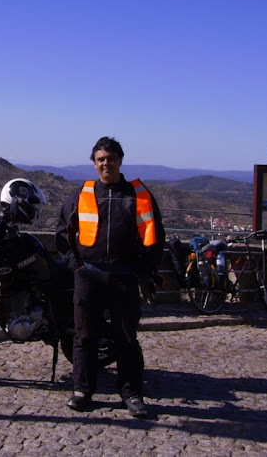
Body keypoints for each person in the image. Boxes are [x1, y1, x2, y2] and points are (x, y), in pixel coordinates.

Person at [55, 136, 165, 418]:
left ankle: (131, 394)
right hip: (89, 276)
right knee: (84, 337)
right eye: (101, 159)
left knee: (126, 338)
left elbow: (155, 238)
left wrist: (139, 270)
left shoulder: (138, 194)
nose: (106, 163)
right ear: (94, 163)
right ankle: (82, 391)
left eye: (111, 158)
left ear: (120, 161)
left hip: (123, 277)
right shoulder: (83, 194)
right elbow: (63, 234)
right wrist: (76, 266)